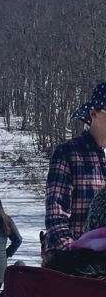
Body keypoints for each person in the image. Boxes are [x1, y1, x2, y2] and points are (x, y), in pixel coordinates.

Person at [44, 81, 106, 253]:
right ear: (94, 114)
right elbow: (56, 214)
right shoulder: (69, 153)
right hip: (75, 268)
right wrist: (71, 254)